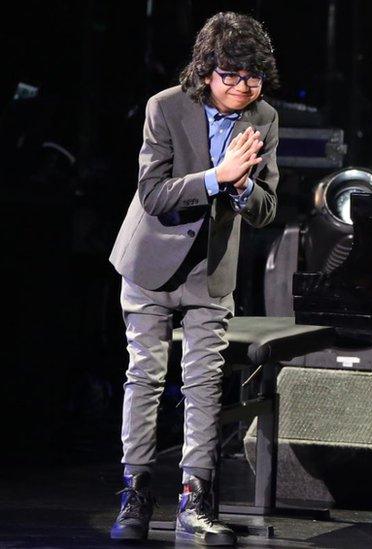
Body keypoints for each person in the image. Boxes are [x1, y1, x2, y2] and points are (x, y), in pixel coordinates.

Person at [107, 12, 279, 546]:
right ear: (206, 71)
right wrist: (215, 177)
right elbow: (153, 194)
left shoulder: (265, 117)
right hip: (150, 261)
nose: (243, 86)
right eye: (232, 75)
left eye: (252, 76)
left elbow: (268, 208)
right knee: (146, 377)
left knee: (204, 384)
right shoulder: (164, 107)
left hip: (211, 267)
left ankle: (194, 500)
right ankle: (136, 494)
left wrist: (244, 190)